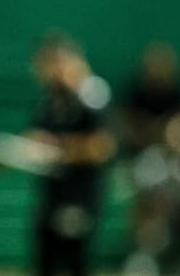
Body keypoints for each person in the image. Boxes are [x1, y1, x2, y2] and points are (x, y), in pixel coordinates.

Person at [27, 31, 116, 276]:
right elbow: (39, 137)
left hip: (80, 195)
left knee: (76, 264)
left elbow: (101, 146)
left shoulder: (91, 94)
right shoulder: (50, 98)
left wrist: (57, 149)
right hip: (52, 194)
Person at [120, 42, 180, 276]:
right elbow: (129, 127)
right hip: (146, 157)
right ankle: (145, 254)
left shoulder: (177, 92)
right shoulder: (137, 92)